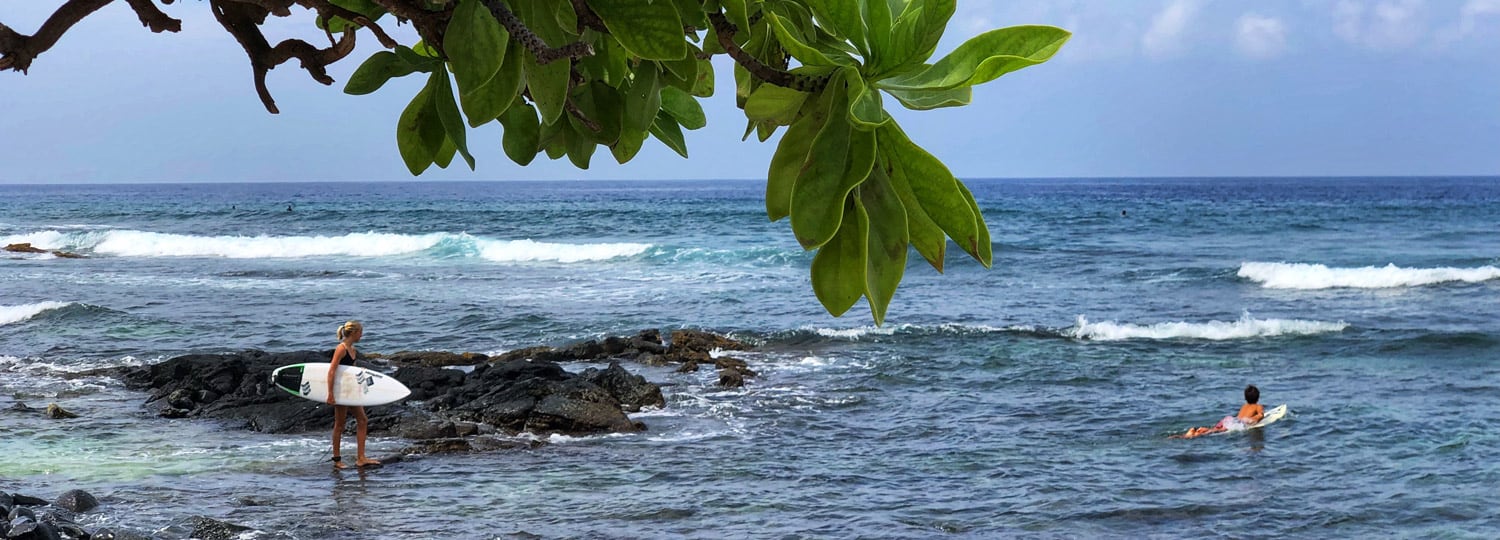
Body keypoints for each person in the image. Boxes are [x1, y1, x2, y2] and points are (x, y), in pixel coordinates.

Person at [328, 320, 380, 468]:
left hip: (351, 390)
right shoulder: (341, 349)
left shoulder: (353, 350)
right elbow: (332, 370)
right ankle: (337, 460)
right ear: (354, 333)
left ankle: (361, 458)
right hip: (341, 391)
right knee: (340, 424)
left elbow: (352, 371)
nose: (361, 336)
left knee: (362, 420)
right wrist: (330, 393)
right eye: (360, 333)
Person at [1175, 385, 1265, 439]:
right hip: (1238, 422)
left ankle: (1197, 430)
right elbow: (1260, 415)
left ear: (1245, 398)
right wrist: (1252, 420)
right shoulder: (1258, 406)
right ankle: (1199, 432)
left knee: (1216, 429)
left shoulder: (1244, 406)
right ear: (1258, 397)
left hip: (1229, 419)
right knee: (1217, 431)